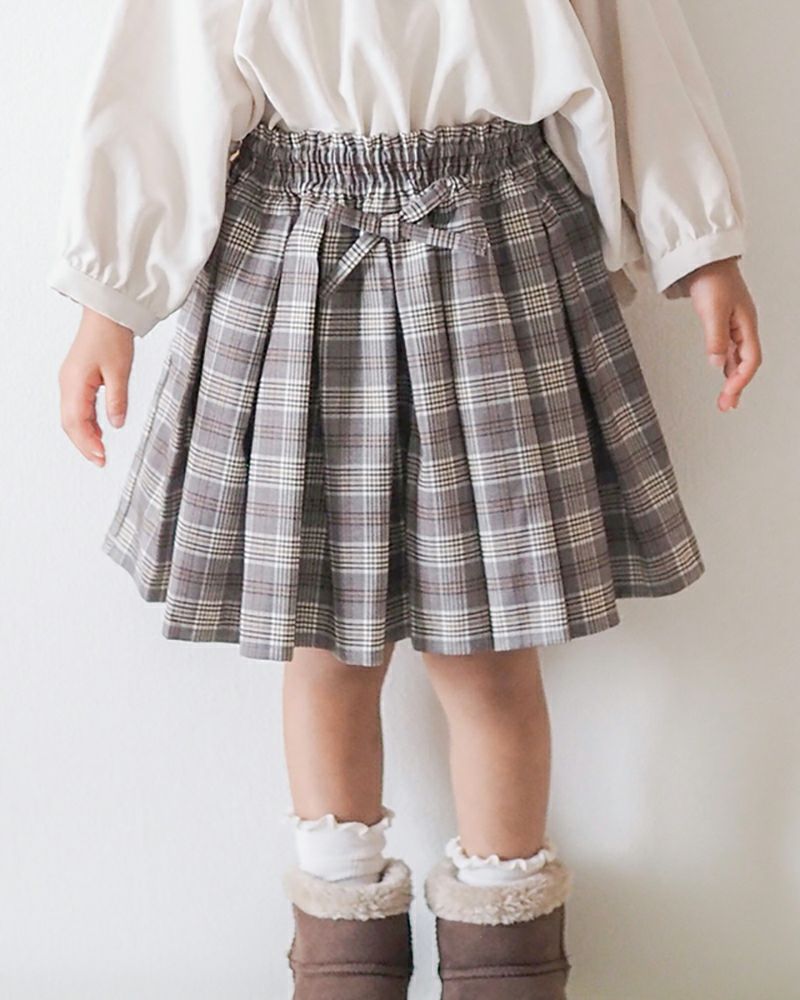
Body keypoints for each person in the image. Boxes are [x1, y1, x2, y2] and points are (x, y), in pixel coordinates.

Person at [48, 1, 761, 996]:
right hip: (292, 265)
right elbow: (160, 83)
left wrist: (702, 248)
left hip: (495, 257)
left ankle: (507, 970)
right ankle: (342, 968)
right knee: (326, 645)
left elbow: (631, 51)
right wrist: (109, 301)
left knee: (489, 650)